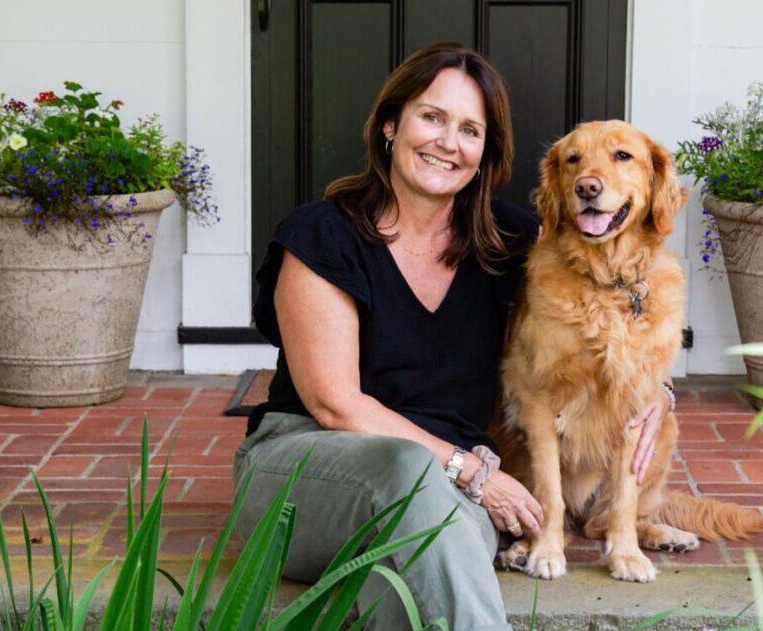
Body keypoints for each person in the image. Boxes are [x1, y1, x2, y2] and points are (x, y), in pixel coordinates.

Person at [232, 42, 669, 628]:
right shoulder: (321, 236)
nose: (447, 142)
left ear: (485, 152)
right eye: (431, 117)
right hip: (308, 468)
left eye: (469, 129)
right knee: (411, 479)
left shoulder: (512, 242)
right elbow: (335, 405)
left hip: (447, 488)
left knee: (436, 535)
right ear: (390, 125)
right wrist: (471, 471)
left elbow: (609, 303)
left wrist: (653, 393)